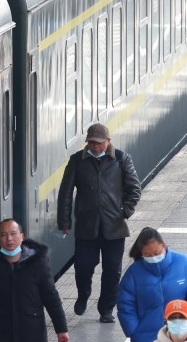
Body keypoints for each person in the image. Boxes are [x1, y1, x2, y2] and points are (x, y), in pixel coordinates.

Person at [57, 123, 142, 323]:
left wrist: (124, 211)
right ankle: (83, 295)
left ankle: (106, 309)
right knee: (83, 267)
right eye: (91, 143)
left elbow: (134, 189)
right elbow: (65, 193)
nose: (95, 147)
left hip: (114, 227)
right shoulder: (77, 160)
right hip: (87, 226)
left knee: (112, 270)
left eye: (99, 143)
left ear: (108, 141)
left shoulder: (121, 159)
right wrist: (64, 221)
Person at [118, 227, 187, 342]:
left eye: (156, 253)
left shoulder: (186, 264)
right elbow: (125, 305)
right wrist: (134, 330)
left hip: (183, 340)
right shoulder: (134, 273)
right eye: (147, 255)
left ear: (164, 245)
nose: (153, 257)